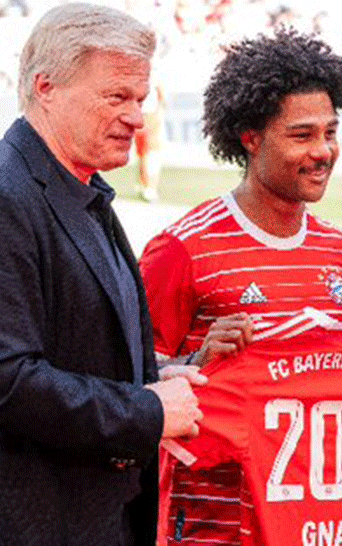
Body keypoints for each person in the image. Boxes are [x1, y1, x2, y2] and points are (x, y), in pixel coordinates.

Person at [138, 29, 342, 544]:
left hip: (314, 524)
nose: (324, 151)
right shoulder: (182, 249)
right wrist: (196, 363)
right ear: (251, 138)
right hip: (212, 527)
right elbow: (126, 382)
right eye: (302, 135)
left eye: (330, 132)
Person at [0, 4, 203, 546]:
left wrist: (166, 374)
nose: (137, 118)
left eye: (139, 98)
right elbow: (9, 379)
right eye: (117, 97)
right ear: (46, 87)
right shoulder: (10, 197)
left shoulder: (80, 187)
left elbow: (75, 344)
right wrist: (145, 410)